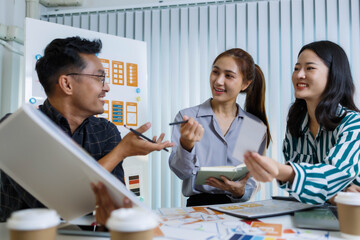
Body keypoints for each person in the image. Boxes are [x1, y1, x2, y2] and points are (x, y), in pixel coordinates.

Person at [0, 36, 174, 222]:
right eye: (100, 78)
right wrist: (119, 152)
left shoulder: (105, 131)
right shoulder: (18, 129)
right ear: (67, 84)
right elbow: (54, 208)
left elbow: (116, 202)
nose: (106, 87)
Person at [244, 40, 360, 205]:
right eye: (296, 68)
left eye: (310, 68)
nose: (299, 75)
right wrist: (335, 195)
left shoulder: (354, 123)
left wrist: (281, 170)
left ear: (334, 74)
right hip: (313, 215)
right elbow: (298, 190)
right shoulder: (296, 125)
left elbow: (335, 174)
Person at [168, 48, 271, 206]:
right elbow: (182, 172)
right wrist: (186, 145)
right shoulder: (187, 118)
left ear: (245, 84)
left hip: (238, 209)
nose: (218, 81)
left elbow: (250, 182)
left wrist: (240, 191)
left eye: (228, 75)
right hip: (197, 209)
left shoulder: (252, 127)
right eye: (215, 72)